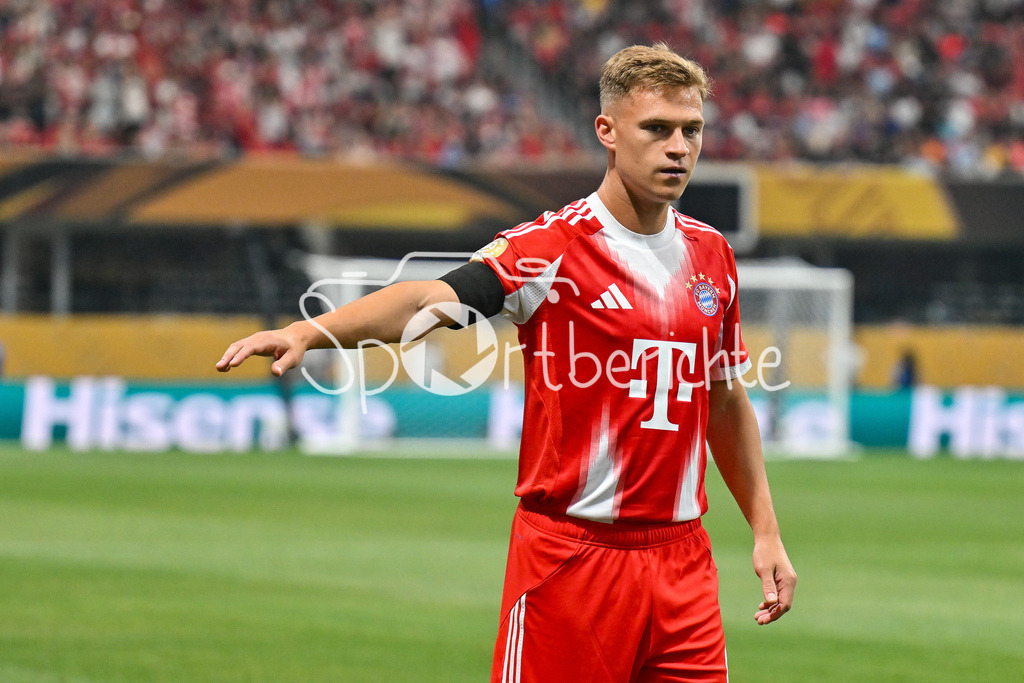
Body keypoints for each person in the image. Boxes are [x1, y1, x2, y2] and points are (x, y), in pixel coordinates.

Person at [217, 42, 796, 682]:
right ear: (607, 132)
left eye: (691, 131)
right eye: (656, 129)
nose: (678, 148)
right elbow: (431, 298)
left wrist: (765, 530)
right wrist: (314, 330)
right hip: (572, 560)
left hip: (683, 561)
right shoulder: (551, 247)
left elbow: (725, 399)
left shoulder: (712, 254)